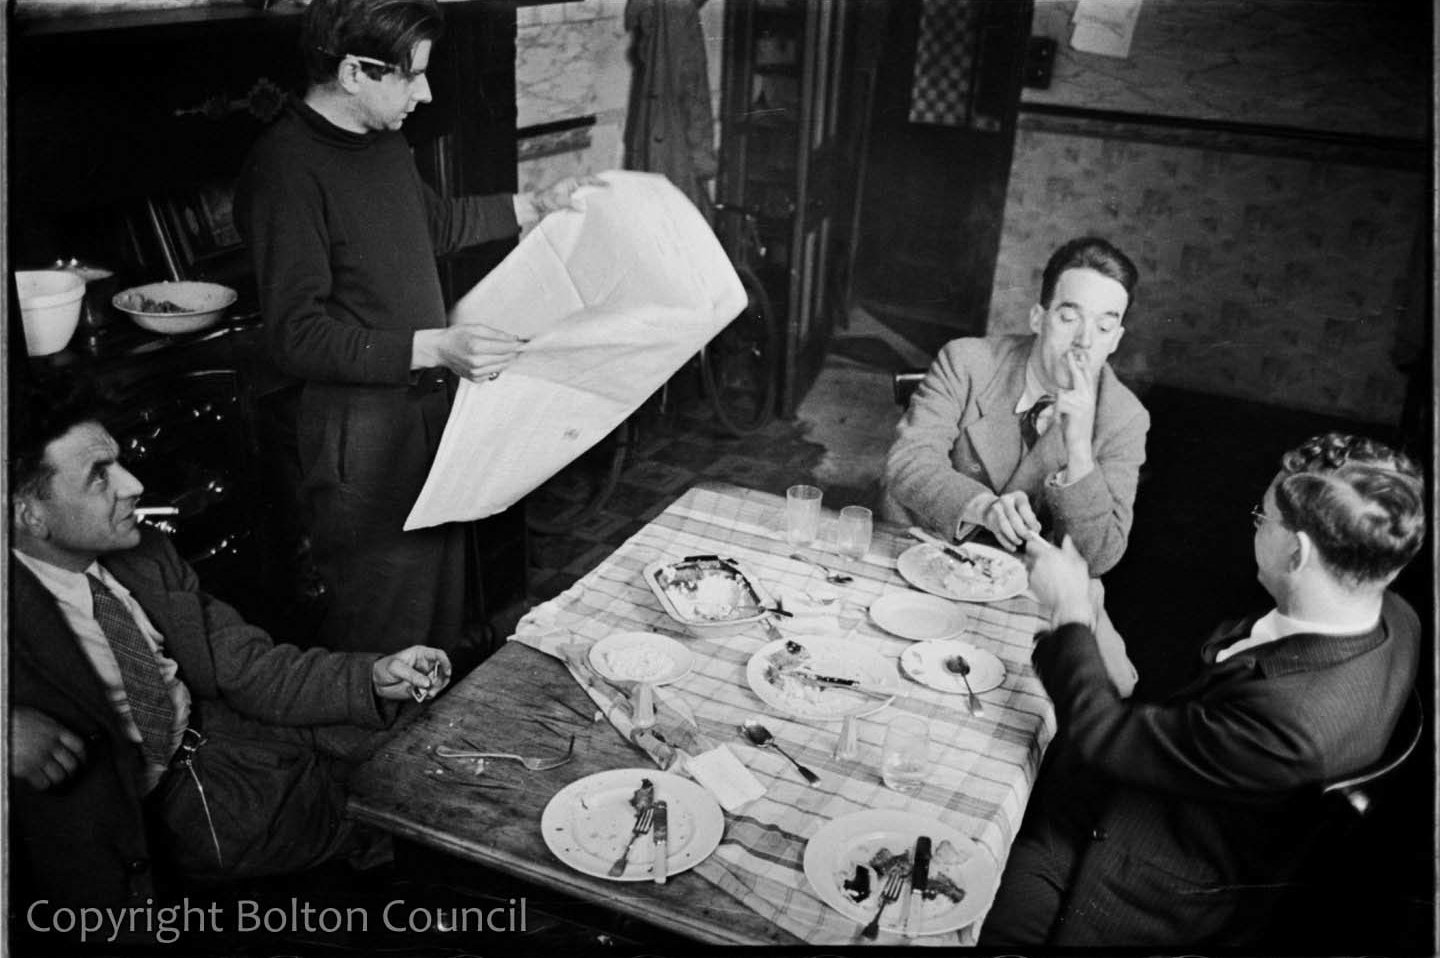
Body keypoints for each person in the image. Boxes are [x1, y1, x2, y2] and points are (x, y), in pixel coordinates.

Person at [8, 380, 453, 909]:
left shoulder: (142, 554)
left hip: (224, 730)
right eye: (99, 478)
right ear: (30, 515)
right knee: (383, 817)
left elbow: (246, 664)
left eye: (119, 462)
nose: (133, 485)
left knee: (433, 745)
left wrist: (373, 674)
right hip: (177, 808)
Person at [235, 0, 594, 655]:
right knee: (384, 633)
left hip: (426, 410)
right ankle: (378, 756)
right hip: (360, 440)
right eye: (412, 75)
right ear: (353, 74)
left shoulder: (384, 140)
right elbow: (296, 335)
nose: (425, 93)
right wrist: (434, 346)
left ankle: (426, 744)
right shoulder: (284, 170)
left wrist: (533, 205)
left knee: (437, 619)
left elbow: (431, 225)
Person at [980, 432, 1425, 947]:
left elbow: (1103, 734)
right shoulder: (1393, 615)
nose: (1254, 526)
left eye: (1262, 518)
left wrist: (1071, 612)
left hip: (1126, 881)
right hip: (1182, 802)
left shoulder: (1291, 725)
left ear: (1298, 552)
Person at [881, 236, 1149, 576]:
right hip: (922, 551)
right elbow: (907, 463)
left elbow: (1097, 558)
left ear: (1115, 340)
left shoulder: (1126, 418)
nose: (1084, 341)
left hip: (1028, 583)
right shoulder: (967, 361)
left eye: (1103, 327)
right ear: (1038, 318)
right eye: (1069, 318)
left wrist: (1079, 451)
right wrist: (983, 507)